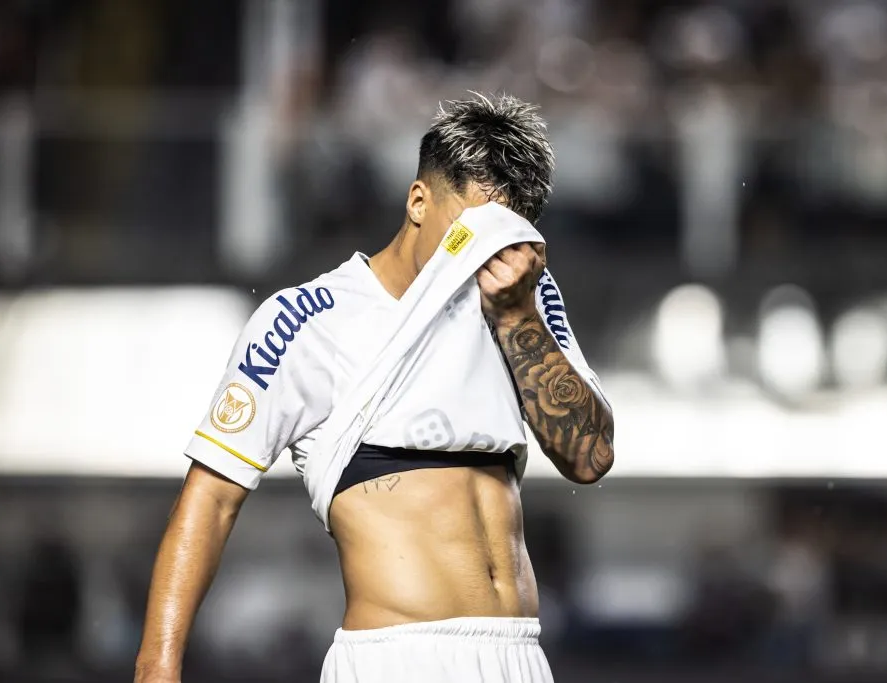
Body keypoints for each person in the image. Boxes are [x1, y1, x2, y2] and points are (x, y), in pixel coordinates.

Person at [134, 93, 615, 683]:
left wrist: (517, 318)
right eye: (475, 228)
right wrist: (158, 665)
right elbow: (210, 500)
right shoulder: (306, 320)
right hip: (399, 657)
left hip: (519, 656)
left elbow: (589, 457)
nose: (490, 251)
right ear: (419, 201)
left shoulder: (525, 295)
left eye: (507, 235)